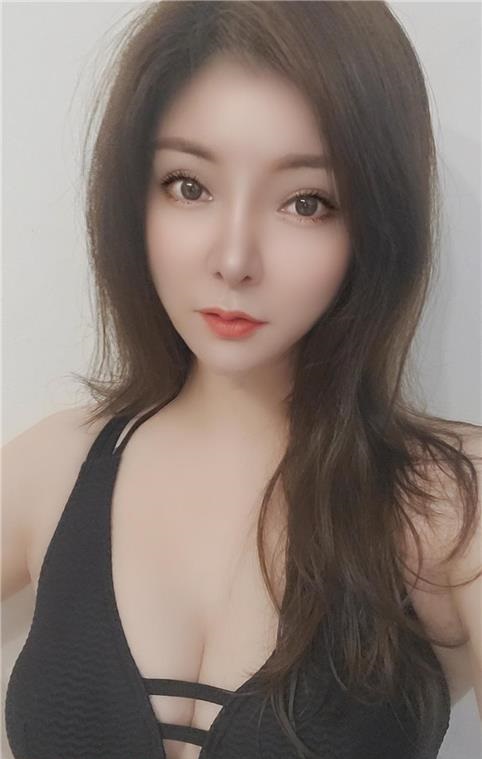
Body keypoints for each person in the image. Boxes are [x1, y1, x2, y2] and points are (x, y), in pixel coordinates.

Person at [2, 2, 481, 759]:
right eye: (189, 186)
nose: (233, 259)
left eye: (306, 202)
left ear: (375, 225)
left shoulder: (449, 507)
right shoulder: (51, 470)